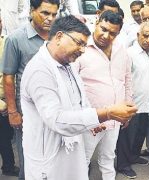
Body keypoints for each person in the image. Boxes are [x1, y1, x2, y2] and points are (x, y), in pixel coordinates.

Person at [20, 15, 137, 180]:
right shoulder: (40, 71)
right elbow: (57, 120)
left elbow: (80, 99)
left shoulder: (65, 64)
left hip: (70, 149)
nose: (83, 50)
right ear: (59, 36)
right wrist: (106, 113)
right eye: (79, 43)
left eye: (84, 44)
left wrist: (93, 120)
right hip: (49, 159)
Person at [1, 0, 60, 179]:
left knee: (54, 161)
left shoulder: (57, 37)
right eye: (44, 13)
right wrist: (13, 112)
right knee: (29, 163)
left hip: (55, 111)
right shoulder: (16, 39)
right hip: (28, 113)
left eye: (53, 14)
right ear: (32, 10)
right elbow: (9, 78)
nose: (49, 18)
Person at [72, 10, 131, 180]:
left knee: (108, 158)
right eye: (103, 29)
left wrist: (127, 108)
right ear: (97, 22)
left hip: (115, 119)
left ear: (118, 33)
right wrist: (88, 118)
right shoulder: (81, 49)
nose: (106, 35)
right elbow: (73, 88)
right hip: (90, 120)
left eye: (112, 33)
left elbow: (127, 80)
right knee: (82, 160)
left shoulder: (121, 49)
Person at [116, 22, 149, 179]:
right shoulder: (129, 53)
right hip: (132, 104)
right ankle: (123, 164)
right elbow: (123, 79)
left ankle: (133, 157)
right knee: (126, 136)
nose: (147, 39)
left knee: (140, 134)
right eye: (144, 35)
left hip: (147, 103)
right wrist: (126, 103)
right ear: (138, 35)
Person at [0, 15, 19, 177]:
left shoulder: (7, 41)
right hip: (2, 104)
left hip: (7, 100)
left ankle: (8, 167)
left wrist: (9, 103)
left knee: (5, 137)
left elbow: (11, 75)